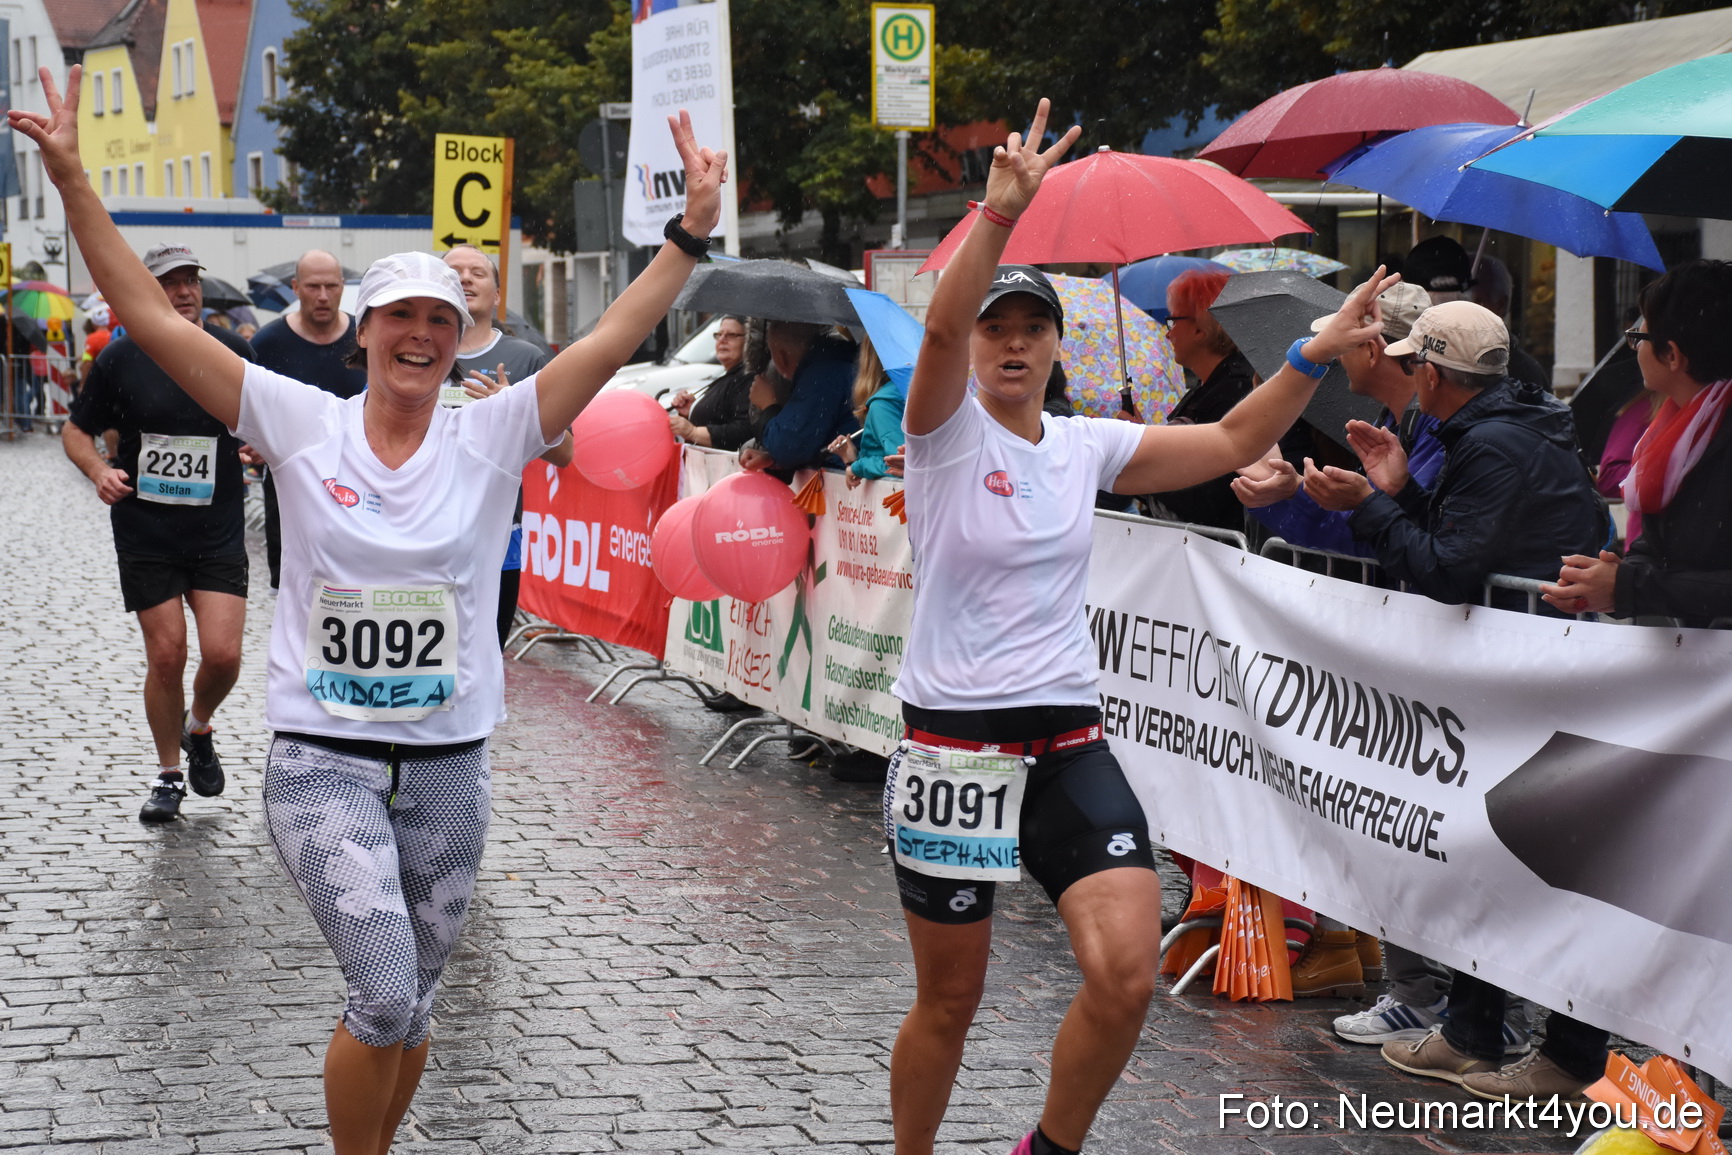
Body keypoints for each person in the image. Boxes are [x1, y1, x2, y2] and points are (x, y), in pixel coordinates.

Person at [14, 68, 729, 1155]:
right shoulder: (301, 423)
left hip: (448, 767)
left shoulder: (491, 436)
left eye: (439, 320)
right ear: (364, 331)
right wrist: (69, 176)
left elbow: (611, 341)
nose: (421, 335)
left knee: (419, 1008)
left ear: (455, 336)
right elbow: (153, 319)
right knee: (385, 994)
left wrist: (686, 236)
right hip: (323, 762)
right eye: (400, 316)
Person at [887, 97, 1395, 1155]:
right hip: (953, 746)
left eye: (1032, 329)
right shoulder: (938, 434)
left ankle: (1049, 1150)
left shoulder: (1083, 446)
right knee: (951, 1002)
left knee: (1123, 976)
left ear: (1054, 346)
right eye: (998, 328)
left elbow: (1226, 440)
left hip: (1066, 736)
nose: (1011, 344)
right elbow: (938, 325)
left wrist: (1311, 349)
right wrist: (996, 219)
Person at [62, 241, 257, 824]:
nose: (185, 291)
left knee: (223, 655)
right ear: (147, 291)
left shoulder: (231, 350)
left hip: (218, 524)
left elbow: (275, 415)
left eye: (191, 280)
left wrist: (260, 442)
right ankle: (169, 774)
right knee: (167, 651)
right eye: (171, 282)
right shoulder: (121, 359)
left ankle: (199, 726)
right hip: (146, 528)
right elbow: (75, 431)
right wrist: (99, 469)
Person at [1302, 300, 1604, 613]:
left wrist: (1366, 502)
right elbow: (1463, 537)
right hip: (1533, 634)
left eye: (1410, 364)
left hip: (1525, 641)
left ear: (1430, 375)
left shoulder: (1490, 444)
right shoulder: (1509, 423)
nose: (1411, 376)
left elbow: (1447, 574)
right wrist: (1401, 489)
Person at [442, 244, 573, 648]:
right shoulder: (415, 347)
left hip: (497, 532)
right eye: (454, 273)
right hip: (419, 524)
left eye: (477, 273)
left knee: (484, 655)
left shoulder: (526, 358)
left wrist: (513, 411)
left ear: (498, 295)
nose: (465, 279)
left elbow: (565, 452)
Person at [250, 249, 369, 591]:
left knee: (354, 586)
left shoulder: (366, 338)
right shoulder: (268, 343)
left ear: (342, 288)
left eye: (331, 286)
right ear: (295, 288)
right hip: (291, 491)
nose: (322, 296)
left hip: (357, 483)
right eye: (313, 286)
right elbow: (247, 407)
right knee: (294, 591)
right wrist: (258, 443)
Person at [1143, 269, 1257, 533]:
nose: (1167, 334)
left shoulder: (1236, 392)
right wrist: (1143, 437)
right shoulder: (1210, 385)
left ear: (1200, 329)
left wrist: (1143, 466)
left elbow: (1210, 495)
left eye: (1172, 322)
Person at [737, 320, 858, 475]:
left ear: (781, 356)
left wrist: (768, 406)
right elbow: (813, 441)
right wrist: (772, 459)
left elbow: (789, 446)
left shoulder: (820, 375)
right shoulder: (832, 362)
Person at [826, 337, 905, 487]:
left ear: (869, 361)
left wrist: (858, 467)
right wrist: (853, 459)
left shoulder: (884, 404)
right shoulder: (904, 394)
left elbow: (900, 465)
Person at [669, 315, 755, 450]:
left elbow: (743, 432)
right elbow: (721, 412)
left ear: (748, 341)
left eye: (731, 335)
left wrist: (693, 432)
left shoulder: (748, 378)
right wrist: (692, 409)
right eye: (719, 334)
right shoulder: (730, 374)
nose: (722, 340)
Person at [1468, 255, 1549, 392]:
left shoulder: (1523, 374)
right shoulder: (1448, 363)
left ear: (1500, 305)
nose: (1464, 312)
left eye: (1476, 302)